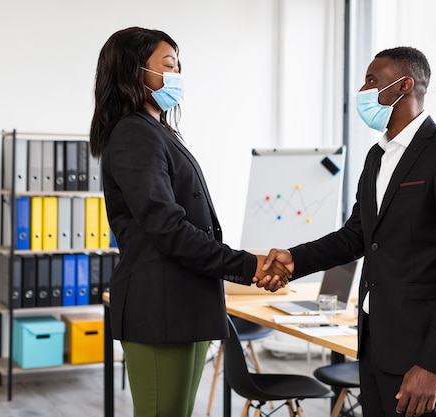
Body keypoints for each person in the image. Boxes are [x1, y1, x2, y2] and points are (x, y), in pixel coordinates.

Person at [260, 47, 436, 417]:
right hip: (375, 341)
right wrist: (294, 259)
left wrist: (433, 366)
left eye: (372, 81)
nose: (363, 91)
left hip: (419, 352)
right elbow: (356, 235)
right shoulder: (376, 156)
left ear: (404, 86)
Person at [89, 27, 289, 417]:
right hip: (161, 305)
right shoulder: (134, 133)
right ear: (134, 71)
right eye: (168, 65)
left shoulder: (157, 130)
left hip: (185, 301)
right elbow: (168, 228)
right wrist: (248, 265)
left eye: (179, 66)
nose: (177, 75)